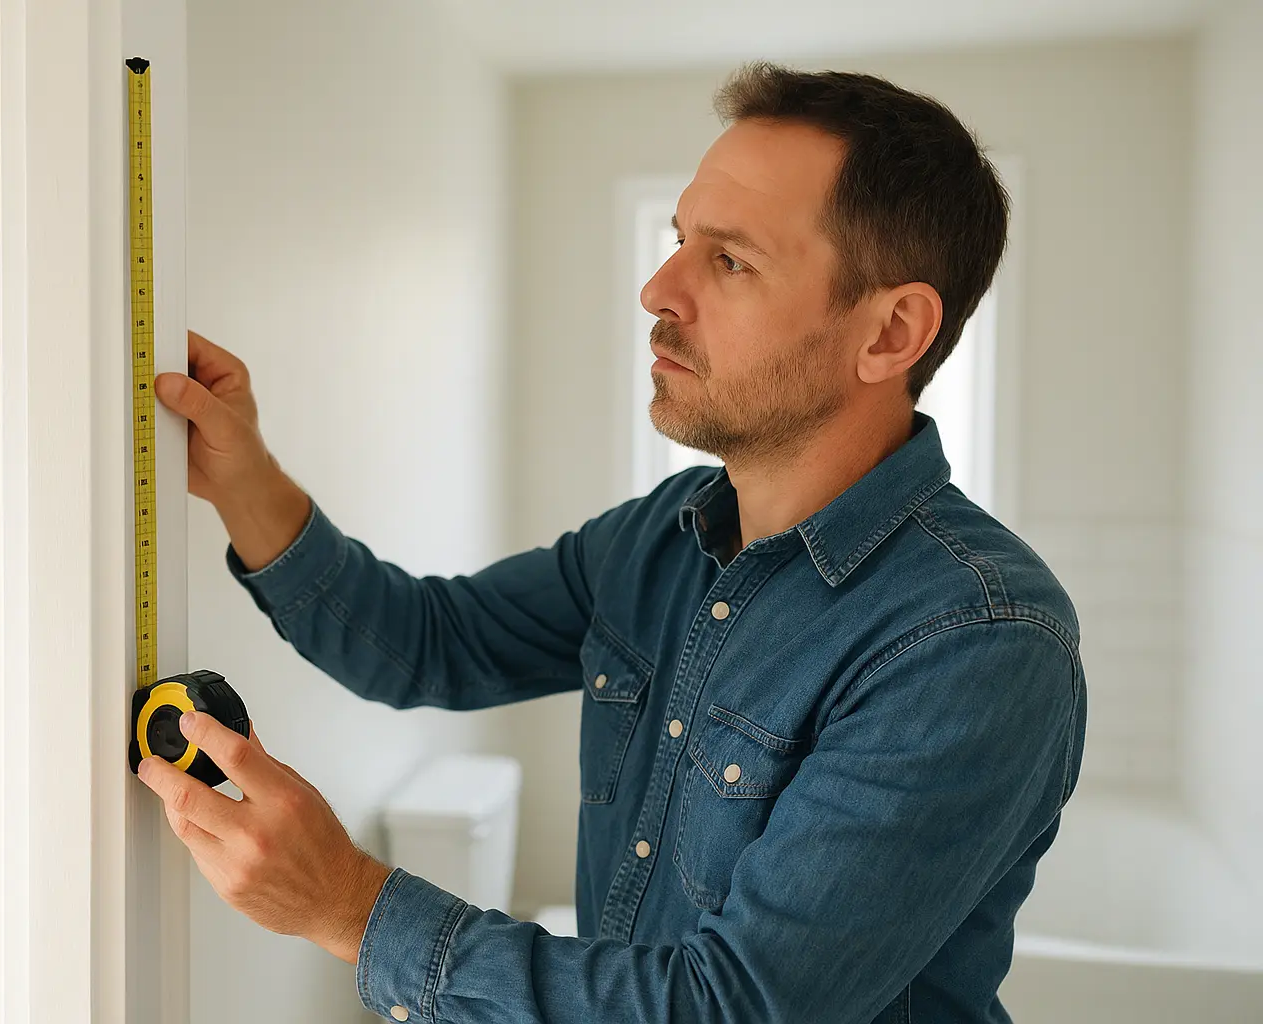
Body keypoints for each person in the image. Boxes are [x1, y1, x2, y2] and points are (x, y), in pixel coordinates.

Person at [135, 60, 1087, 1024]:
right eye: (680, 239)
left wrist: (349, 905)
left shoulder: (978, 638)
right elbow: (428, 643)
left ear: (891, 333)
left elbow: (733, 1010)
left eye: (730, 260)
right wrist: (243, 479)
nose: (657, 289)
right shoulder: (662, 536)